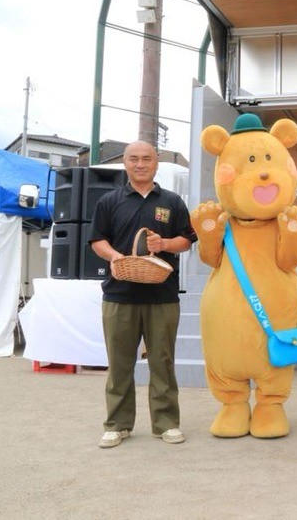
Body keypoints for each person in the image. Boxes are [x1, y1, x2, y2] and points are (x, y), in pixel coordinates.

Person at [89, 140, 197, 449]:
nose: (140, 164)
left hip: (162, 295)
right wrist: (115, 257)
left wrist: (163, 245)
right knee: (119, 363)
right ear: (125, 163)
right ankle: (117, 424)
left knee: (162, 362)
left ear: (156, 162)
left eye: (146, 159)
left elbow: (188, 240)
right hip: (118, 295)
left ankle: (166, 423)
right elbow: (97, 240)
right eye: (134, 159)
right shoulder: (109, 201)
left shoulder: (172, 202)